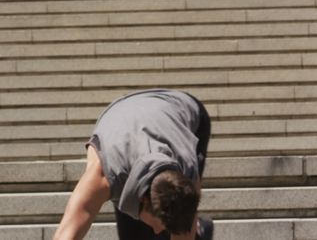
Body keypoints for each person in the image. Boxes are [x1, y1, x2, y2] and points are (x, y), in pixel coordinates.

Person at [53, 89, 214, 240]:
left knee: (180, 227)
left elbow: (183, 228)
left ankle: (198, 229)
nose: (159, 231)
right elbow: (66, 235)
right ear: (142, 200)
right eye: (161, 226)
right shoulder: (104, 174)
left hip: (183, 109)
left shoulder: (186, 167)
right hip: (122, 114)